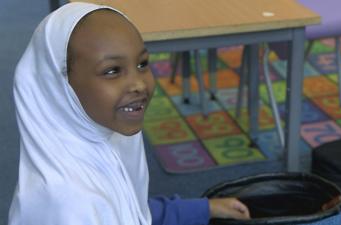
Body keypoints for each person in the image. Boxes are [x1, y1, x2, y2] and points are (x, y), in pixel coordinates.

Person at [9, 2, 250, 225]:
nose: (138, 84)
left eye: (142, 64)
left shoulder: (99, 141)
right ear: (59, 85)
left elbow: (130, 210)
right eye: (112, 70)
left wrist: (202, 209)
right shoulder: (68, 207)